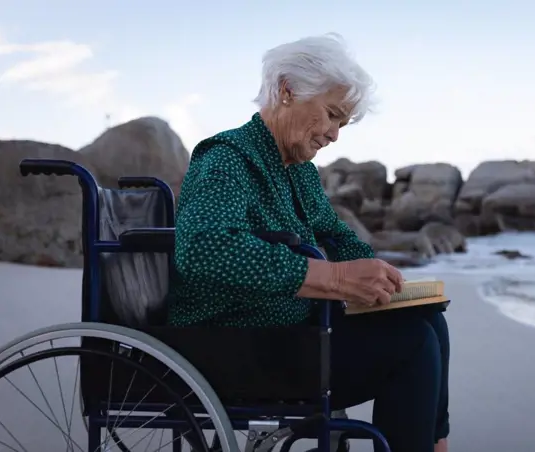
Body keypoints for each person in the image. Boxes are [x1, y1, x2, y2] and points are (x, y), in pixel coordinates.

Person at [167, 33, 450, 452]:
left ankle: (435, 445)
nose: (335, 134)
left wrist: (374, 276)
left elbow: (332, 231)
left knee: (428, 320)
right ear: (287, 90)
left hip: (285, 328)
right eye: (332, 115)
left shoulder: (294, 167)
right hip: (230, 340)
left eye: (342, 124)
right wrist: (332, 279)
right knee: (411, 345)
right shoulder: (227, 158)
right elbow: (204, 248)